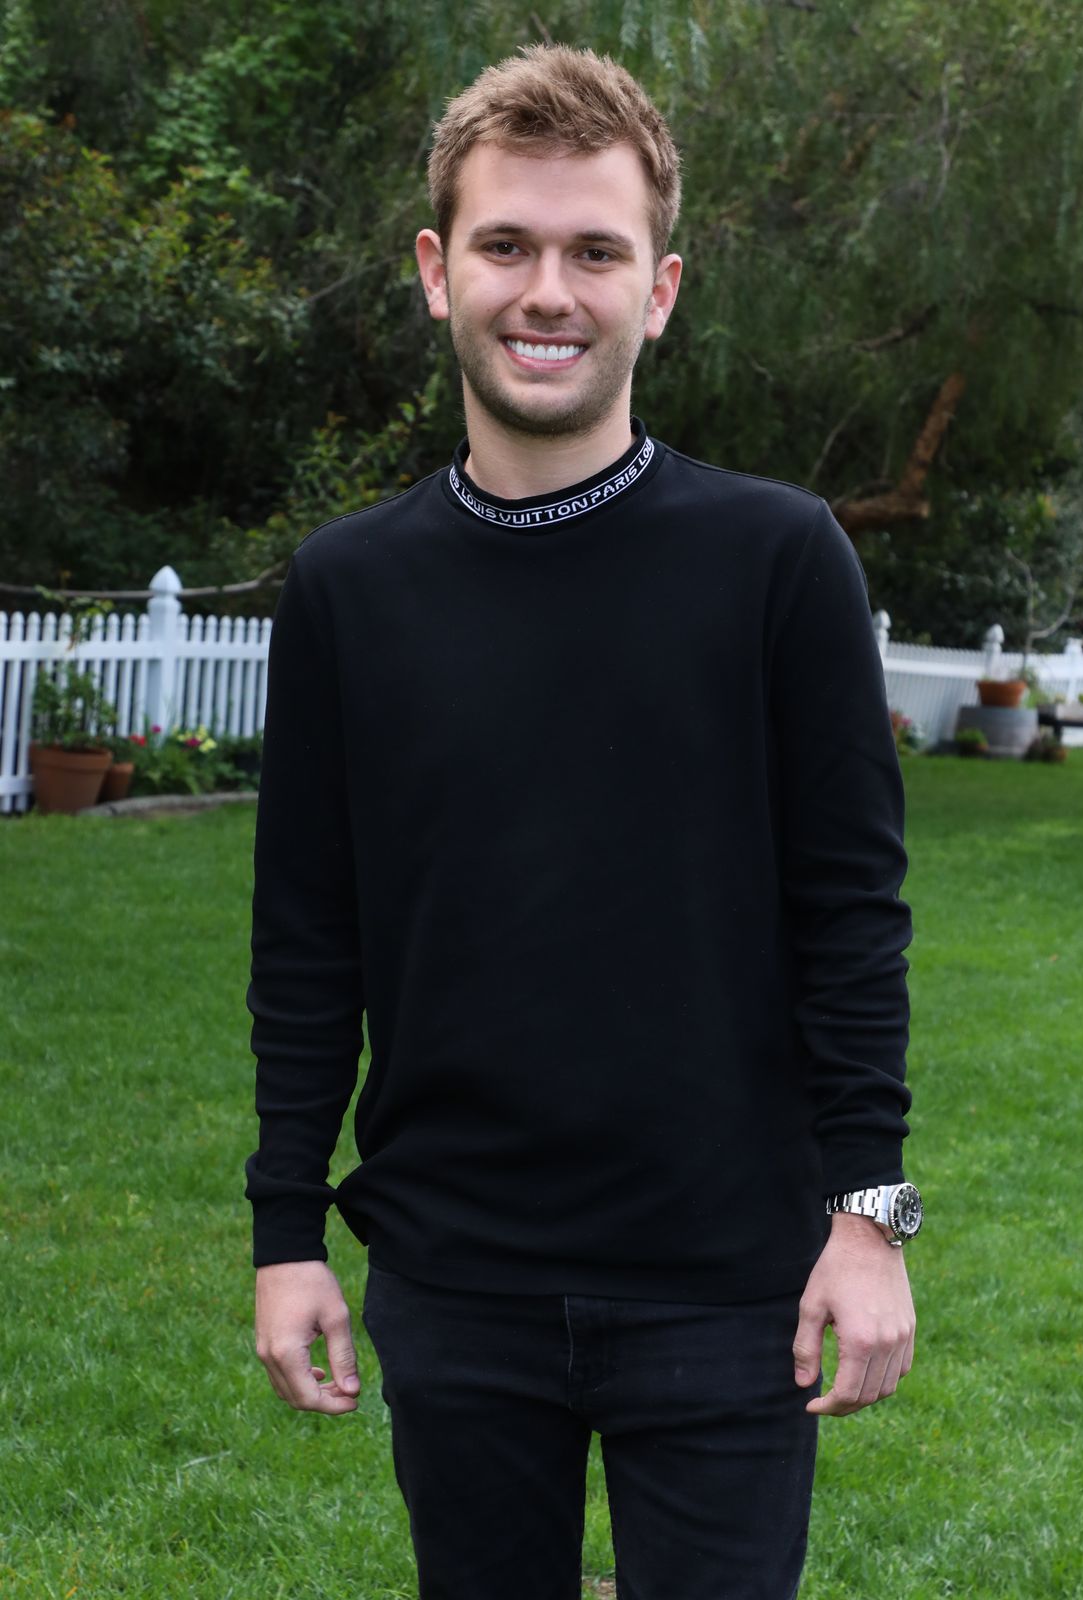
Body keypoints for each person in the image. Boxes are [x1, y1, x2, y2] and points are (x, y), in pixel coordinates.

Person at [247, 43, 921, 1600]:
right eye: (507, 245)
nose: (547, 290)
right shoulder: (350, 589)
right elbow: (307, 936)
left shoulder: (779, 561)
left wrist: (868, 1217)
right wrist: (289, 1232)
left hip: (726, 1281)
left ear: (659, 288)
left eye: (593, 252)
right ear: (438, 271)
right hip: (457, 1276)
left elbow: (851, 914)